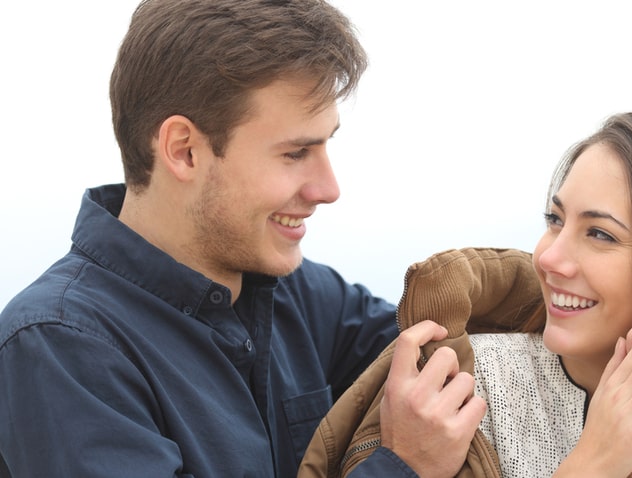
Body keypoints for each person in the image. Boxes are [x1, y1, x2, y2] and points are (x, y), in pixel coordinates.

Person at [0, 1, 485, 476]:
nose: (329, 190)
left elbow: (472, 359)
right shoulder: (59, 346)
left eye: (325, 144)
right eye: (296, 153)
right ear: (184, 151)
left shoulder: (300, 294)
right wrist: (402, 467)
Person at [300, 112, 632, 477]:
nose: (549, 257)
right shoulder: (461, 394)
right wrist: (595, 463)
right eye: (554, 219)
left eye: (600, 234)